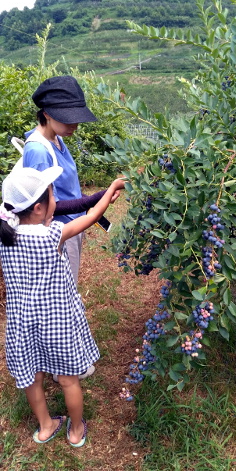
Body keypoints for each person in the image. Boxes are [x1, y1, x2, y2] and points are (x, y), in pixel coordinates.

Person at [0, 166, 125, 446]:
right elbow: (92, 217)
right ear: (37, 208)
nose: (56, 201)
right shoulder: (53, 234)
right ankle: (77, 430)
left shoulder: (5, 235)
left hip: (21, 323)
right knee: (69, 380)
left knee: (32, 379)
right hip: (56, 322)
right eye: (53, 195)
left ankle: (45, 427)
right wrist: (109, 192)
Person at [23, 75, 119, 380]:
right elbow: (40, 207)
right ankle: (61, 364)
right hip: (57, 236)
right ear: (47, 114)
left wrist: (88, 203)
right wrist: (93, 200)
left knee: (67, 292)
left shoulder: (56, 139)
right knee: (60, 299)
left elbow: (64, 191)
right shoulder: (38, 150)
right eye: (68, 119)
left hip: (69, 229)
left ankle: (62, 356)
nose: (74, 125)